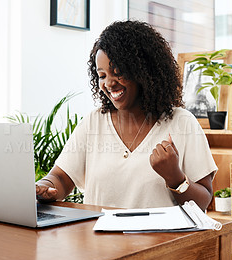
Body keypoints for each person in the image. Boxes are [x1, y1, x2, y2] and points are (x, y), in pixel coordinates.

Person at [36, 20, 217, 211]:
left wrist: (175, 177)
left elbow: (203, 200)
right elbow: (61, 178)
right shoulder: (94, 122)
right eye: (102, 75)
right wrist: (44, 188)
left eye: (118, 72)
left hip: (158, 240)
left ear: (145, 71)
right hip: (96, 240)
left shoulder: (182, 123)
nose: (109, 83)